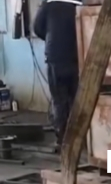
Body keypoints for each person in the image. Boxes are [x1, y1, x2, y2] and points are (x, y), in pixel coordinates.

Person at [33, 0, 82, 151]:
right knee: (76, 99)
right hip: (76, 57)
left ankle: (62, 140)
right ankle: (80, 138)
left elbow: (37, 28)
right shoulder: (78, 6)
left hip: (55, 57)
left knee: (59, 100)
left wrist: (50, 37)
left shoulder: (49, 5)